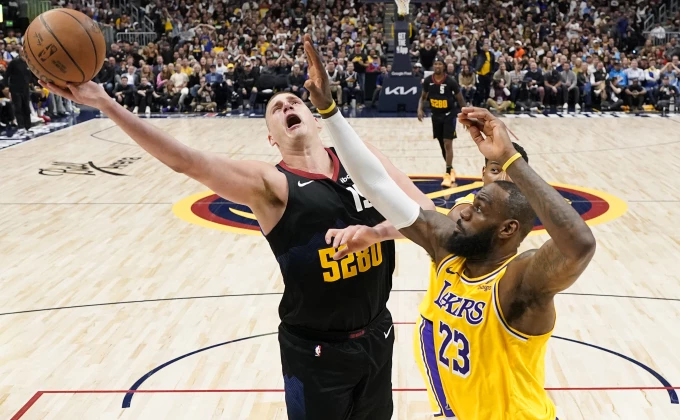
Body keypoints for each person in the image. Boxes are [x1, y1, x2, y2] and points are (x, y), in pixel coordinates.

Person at [39, 33, 433, 420]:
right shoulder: (270, 184)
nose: (287, 106)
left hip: (378, 334)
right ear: (271, 138)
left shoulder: (362, 159)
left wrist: (376, 233)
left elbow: (426, 211)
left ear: (314, 116)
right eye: (277, 108)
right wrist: (106, 103)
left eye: (294, 101)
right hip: (315, 351)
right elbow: (187, 160)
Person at [301, 39, 595, 419]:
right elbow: (377, 186)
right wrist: (328, 110)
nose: (461, 210)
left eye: (479, 207)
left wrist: (510, 158)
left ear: (507, 230)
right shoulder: (449, 249)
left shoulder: (520, 281)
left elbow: (579, 245)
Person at [418, 57, 465, 188]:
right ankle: (451, 168)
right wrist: (419, 108)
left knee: (447, 143)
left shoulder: (450, 81)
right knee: (441, 144)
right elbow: (422, 97)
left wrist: (466, 115)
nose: (437, 66)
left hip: (449, 115)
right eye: (435, 64)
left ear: (444, 67)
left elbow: (460, 99)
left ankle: (447, 173)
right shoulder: (428, 81)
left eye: (439, 64)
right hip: (436, 116)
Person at [6, 47, 32, 135]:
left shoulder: (28, 63)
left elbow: (31, 77)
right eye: (22, 51)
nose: (23, 53)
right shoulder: (14, 63)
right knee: (18, 108)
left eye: (25, 51)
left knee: (26, 108)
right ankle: (21, 127)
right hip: (15, 89)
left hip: (25, 89)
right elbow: (7, 75)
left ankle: (28, 126)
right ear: (19, 52)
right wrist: (7, 87)